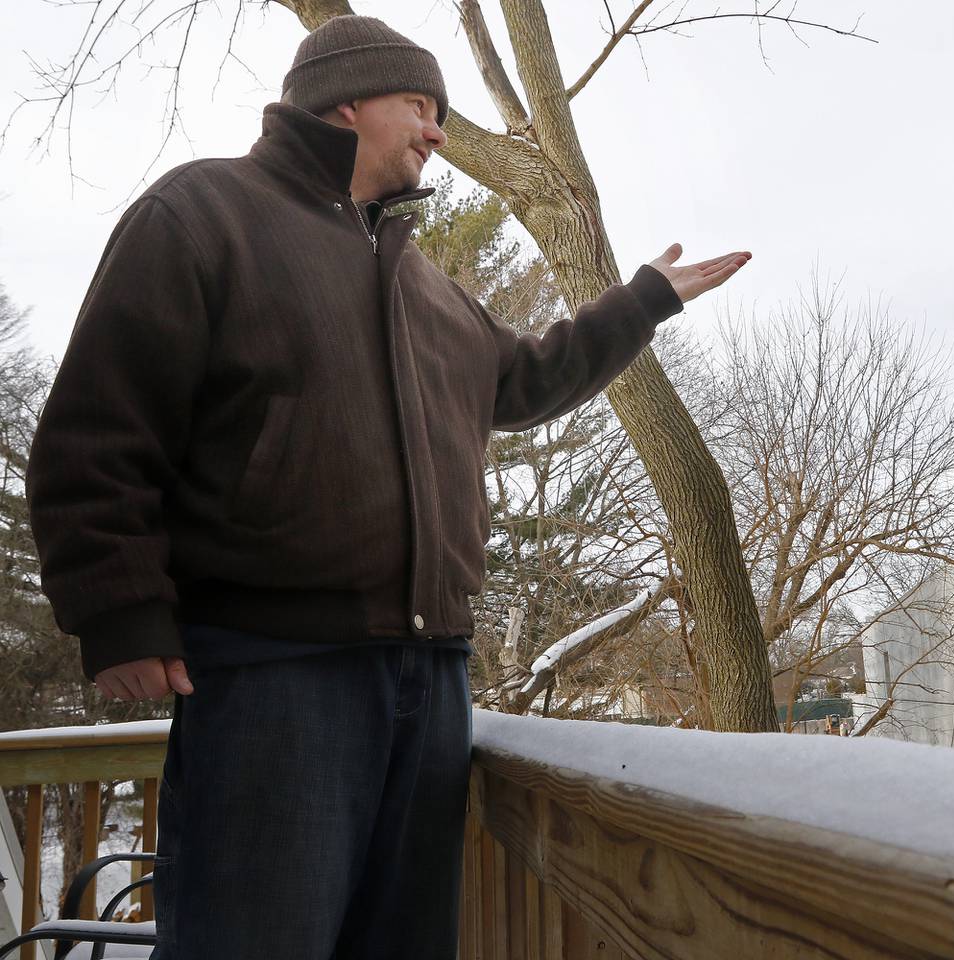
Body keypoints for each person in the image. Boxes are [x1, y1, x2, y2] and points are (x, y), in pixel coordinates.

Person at [24, 14, 750, 958]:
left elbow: (528, 378)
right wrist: (119, 611)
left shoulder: (427, 287)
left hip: (434, 678)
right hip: (276, 674)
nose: (438, 132)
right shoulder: (202, 215)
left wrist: (643, 299)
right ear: (347, 98)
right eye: (421, 105)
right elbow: (96, 428)